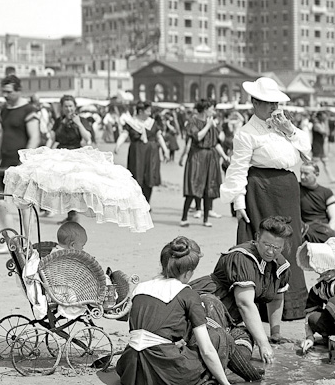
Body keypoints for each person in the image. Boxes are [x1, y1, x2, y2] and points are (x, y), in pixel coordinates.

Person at [220, 76, 311, 320]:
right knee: (264, 243)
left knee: (290, 243)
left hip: (288, 188)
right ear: (254, 103)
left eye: (277, 103)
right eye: (268, 103)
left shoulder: (285, 128)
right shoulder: (246, 133)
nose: (274, 108)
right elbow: (238, 168)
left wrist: (289, 130)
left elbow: (307, 151)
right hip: (261, 190)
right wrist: (239, 203)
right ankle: (259, 305)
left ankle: (291, 305)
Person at [115, 237, 242, 385]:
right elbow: (207, 350)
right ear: (189, 273)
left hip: (131, 370)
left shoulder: (140, 288)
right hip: (165, 374)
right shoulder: (188, 295)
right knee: (216, 336)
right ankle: (215, 378)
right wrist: (226, 384)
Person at [190, 215, 294, 361]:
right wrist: (263, 343)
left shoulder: (281, 266)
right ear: (257, 237)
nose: (270, 251)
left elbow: (276, 298)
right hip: (211, 303)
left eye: (276, 247)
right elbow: (244, 303)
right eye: (266, 244)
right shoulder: (242, 257)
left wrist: (275, 333)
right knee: (208, 348)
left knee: (240, 353)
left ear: (285, 246)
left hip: (234, 315)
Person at [0, 76, 41, 250]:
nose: (5, 95)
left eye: (9, 92)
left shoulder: (29, 110)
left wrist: (24, 163)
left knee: (24, 205)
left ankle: (28, 243)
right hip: (4, 162)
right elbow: (2, 137)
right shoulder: (4, 110)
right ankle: (10, 241)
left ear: (19, 90)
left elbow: (35, 137)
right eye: (3, 91)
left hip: (21, 165)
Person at [178, 99, 226, 227]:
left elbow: (215, 142)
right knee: (194, 186)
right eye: (211, 108)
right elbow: (197, 136)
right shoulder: (193, 121)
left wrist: (225, 156)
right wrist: (208, 126)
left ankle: (205, 219)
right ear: (205, 109)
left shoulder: (211, 123)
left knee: (207, 187)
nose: (213, 111)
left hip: (209, 157)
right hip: (197, 157)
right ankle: (184, 217)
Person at [117, 101, 168, 204]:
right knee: (136, 176)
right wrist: (118, 145)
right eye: (148, 110)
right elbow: (124, 134)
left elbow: (159, 136)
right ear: (140, 111)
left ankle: (146, 202)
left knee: (150, 177)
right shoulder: (131, 122)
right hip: (137, 153)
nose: (150, 113)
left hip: (151, 153)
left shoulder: (152, 123)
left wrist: (165, 150)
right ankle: (138, 202)